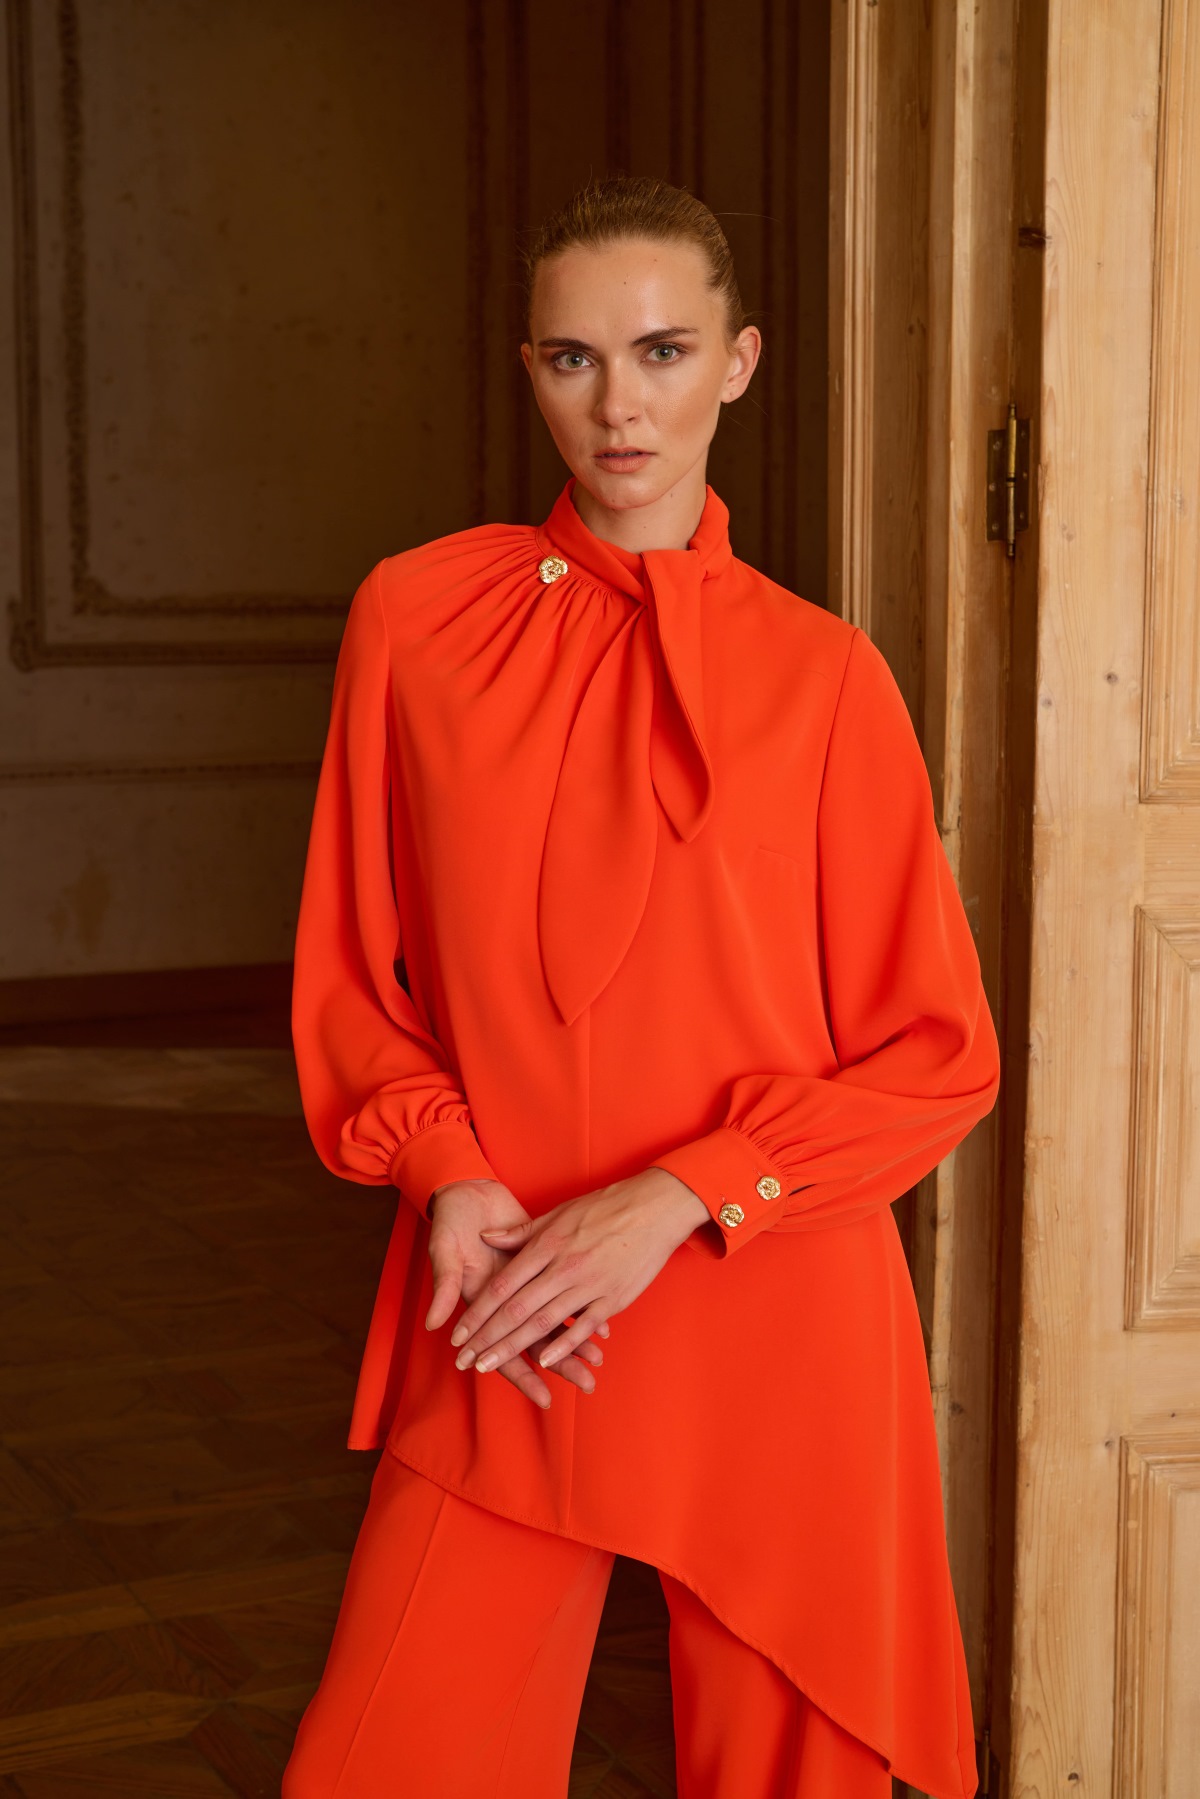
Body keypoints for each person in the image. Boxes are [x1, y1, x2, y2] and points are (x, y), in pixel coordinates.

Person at [281, 174, 1000, 1799]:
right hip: (514, 1287)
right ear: (529, 368)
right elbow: (349, 969)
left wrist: (685, 1194)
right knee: (396, 1756)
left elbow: (937, 1054)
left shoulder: (828, 676)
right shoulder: (416, 620)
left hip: (773, 1284)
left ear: (738, 363)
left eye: (664, 352)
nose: (621, 406)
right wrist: (447, 1174)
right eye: (575, 359)